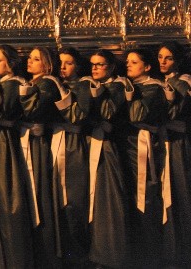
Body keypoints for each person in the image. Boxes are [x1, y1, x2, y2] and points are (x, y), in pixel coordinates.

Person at [0, 45, 35, 267]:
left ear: (10, 63)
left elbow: (2, 114)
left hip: (6, 143)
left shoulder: (13, 84)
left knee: (9, 198)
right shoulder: (1, 84)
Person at [121, 48, 169, 268]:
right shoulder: (133, 86)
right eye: (127, 62)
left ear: (147, 66)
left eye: (134, 62)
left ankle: (150, 255)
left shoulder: (153, 88)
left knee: (146, 195)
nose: (128, 65)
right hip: (128, 145)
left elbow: (137, 115)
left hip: (142, 147)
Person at [85, 49, 130, 268]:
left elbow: (107, 112)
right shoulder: (93, 84)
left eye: (100, 64)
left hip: (110, 147)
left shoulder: (118, 85)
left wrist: (96, 94)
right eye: (92, 64)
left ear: (111, 67)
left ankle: (111, 255)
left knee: (109, 197)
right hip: (93, 143)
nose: (94, 68)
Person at [20, 46, 62, 268]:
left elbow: (33, 111)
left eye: (36, 59)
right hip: (28, 141)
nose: (30, 62)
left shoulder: (47, 83)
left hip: (38, 144)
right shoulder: (35, 83)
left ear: (47, 65)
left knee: (40, 192)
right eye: (29, 57)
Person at [54, 47, 92, 264]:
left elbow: (78, 116)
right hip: (56, 142)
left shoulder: (83, 84)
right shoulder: (55, 84)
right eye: (60, 63)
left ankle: (79, 255)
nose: (63, 67)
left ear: (77, 65)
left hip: (74, 145)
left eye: (68, 63)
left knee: (75, 200)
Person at [156, 42, 191, 267]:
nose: (162, 61)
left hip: (178, 144)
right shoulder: (163, 82)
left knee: (181, 191)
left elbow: (176, 112)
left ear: (176, 60)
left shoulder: (183, 82)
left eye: (167, 58)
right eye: (160, 57)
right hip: (163, 141)